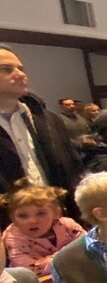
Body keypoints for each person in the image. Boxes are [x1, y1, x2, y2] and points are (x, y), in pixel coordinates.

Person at [0, 46, 84, 204]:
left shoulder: (49, 120)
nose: (20, 74)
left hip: (58, 212)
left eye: (21, 69)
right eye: (6, 69)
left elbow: (72, 169)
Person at [1, 180, 85, 279]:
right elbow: (29, 270)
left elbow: (88, 246)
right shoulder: (12, 238)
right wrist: (65, 258)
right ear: (12, 218)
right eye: (23, 216)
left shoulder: (67, 225)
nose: (32, 221)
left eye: (41, 213)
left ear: (56, 213)